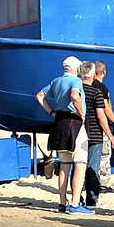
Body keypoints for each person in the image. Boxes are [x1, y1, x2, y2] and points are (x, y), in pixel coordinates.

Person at [35, 55, 90, 214]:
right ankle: (74, 203)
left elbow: (39, 96)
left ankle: (62, 203)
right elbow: (74, 96)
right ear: (77, 69)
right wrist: (81, 113)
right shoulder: (76, 81)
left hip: (59, 122)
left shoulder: (56, 81)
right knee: (80, 163)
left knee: (64, 165)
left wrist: (51, 111)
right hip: (74, 122)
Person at [79, 62, 114, 207]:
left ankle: (76, 197)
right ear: (103, 72)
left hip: (78, 131)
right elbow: (103, 111)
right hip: (95, 132)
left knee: (78, 164)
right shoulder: (99, 90)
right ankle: (93, 198)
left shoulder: (76, 90)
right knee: (98, 163)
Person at [93, 61, 114, 191]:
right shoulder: (101, 88)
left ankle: (89, 181)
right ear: (104, 72)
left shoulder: (87, 85)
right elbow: (105, 106)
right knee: (104, 154)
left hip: (88, 125)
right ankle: (103, 183)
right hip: (101, 125)